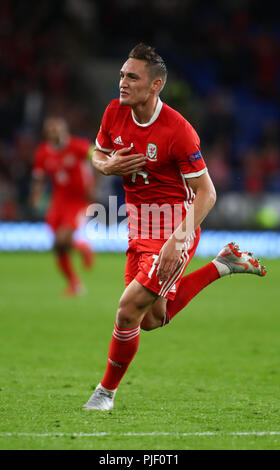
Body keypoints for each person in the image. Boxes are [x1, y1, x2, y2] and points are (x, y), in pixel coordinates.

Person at [83, 43, 266, 410]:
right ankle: (222, 265)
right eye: (121, 74)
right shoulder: (114, 113)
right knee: (151, 320)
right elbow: (98, 152)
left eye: (132, 77)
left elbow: (208, 193)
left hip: (172, 228)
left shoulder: (178, 131)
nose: (122, 82)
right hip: (138, 225)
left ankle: (104, 393)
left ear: (155, 86)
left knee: (127, 310)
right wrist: (106, 167)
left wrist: (178, 240)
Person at [30, 117, 95, 296]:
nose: (55, 133)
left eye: (57, 130)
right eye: (51, 130)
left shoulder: (78, 146)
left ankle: (81, 249)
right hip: (58, 201)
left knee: (61, 240)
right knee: (58, 246)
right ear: (47, 133)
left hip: (78, 200)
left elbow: (97, 156)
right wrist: (35, 195)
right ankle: (75, 282)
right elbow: (39, 177)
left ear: (65, 130)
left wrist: (94, 184)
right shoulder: (43, 152)